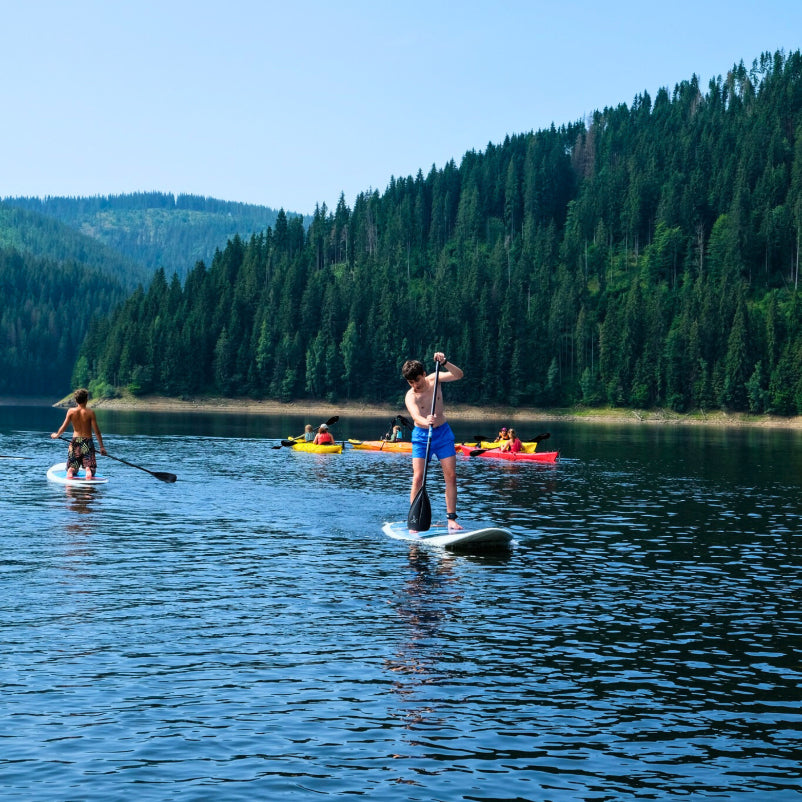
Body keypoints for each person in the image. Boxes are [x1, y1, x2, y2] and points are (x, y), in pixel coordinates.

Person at [403, 351, 464, 531]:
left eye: (417, 381)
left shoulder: (435, 378)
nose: (415, 385)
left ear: (423, 374)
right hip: (421, 436)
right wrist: (425, 420)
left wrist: (445, 362)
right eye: (410, 382)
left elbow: (458, 375)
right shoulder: (410, 396)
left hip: (443, 434)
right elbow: (415, 416)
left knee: (451, 476)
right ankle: (414, 520)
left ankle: (451, 519)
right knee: (418, 478)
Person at [50, 388, 107, 479]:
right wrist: (101, 447)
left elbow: (63, 427)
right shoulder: (90, 412)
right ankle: (88, 470)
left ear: (76, 400)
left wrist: (56, 435)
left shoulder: (71, 411)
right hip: (87, 442)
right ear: (87, 399)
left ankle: (71, 471)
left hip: (75, 441)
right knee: (90, 467)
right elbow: (97, 432)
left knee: (73, 467)